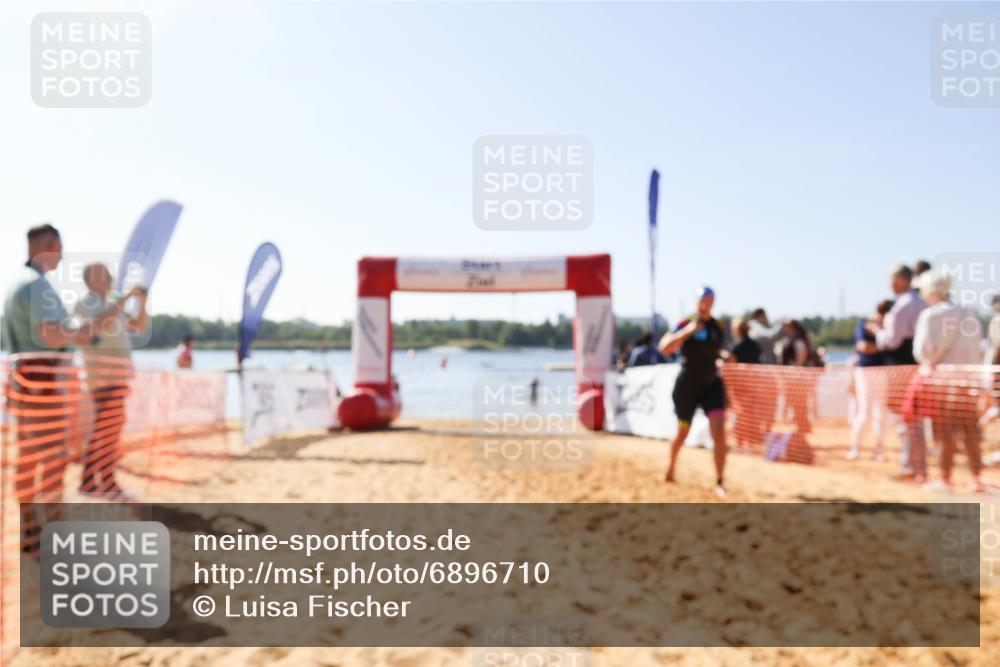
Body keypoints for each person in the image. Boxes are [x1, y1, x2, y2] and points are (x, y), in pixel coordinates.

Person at [2, 224, 94, 551]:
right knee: (53, 462)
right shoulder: (37, 285)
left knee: (26, 461)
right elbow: (51, 334)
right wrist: (77, 329)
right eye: (61, 247)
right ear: (52, 244)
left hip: (22, 387)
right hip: (45, 390)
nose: (63, 255)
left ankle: (29, 532)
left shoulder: (16, 283)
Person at [74, 263, 148, 499]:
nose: (112, 278)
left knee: (105, 430)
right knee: (107, 431)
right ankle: (107, 482)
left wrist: (142, 302)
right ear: (92, 279)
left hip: (117, 378)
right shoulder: (86, 304)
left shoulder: (111, 303)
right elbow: (99, 325)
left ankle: (89, 482)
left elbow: (138, 325)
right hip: (103, 379)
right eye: (106, 275)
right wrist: (125, 298)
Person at [911, 270, 985, 491]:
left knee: (943, 431)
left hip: (942, 382)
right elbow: (979, 349)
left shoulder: (930, 316)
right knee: (970, 430)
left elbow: (923, 351)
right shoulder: (969, 313)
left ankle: (945, 478)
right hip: (969, 381)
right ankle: (976, 478)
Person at [658, 286, 728, 496]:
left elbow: (718, 349)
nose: (706, 304)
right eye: (703, 300)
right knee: (683, 432)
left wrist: (726, 356)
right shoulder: (684, 322)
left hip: (711, 384)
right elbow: (664, 347)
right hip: (687, 386)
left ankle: (719, 481)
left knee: (719, 432)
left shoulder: (718, 326)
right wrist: (688, 331)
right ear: (697, 302)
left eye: (710, 301)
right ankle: (670, 466)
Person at [870, 264, 927, 481]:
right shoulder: (920, 303)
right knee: (915, 420)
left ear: (901, 280)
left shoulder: (903, 306)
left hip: (901, 370)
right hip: (915, 368)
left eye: (891, 279)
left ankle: (910, 467)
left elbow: (891, 341)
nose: (889, 284)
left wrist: (877, 330)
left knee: (906, 420)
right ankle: (915, 466)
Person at [847, 299, 893, 461]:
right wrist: (883, 344)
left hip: (883, 372)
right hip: (865, 372)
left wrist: (880, 340)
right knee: (864, 412)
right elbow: (863, 347)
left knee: (881, 412)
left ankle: (879, 449)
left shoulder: (887, 327)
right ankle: (855, 447)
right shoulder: (863, 323)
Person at [778, 319, 818, 437]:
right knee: (798, 403)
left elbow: (801, 353)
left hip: (796, 375)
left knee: (798, 402)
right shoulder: (797, 338)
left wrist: (796, 368)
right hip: (796, 375)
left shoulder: (797, 339)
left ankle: (803, 426)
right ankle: (802, 426)